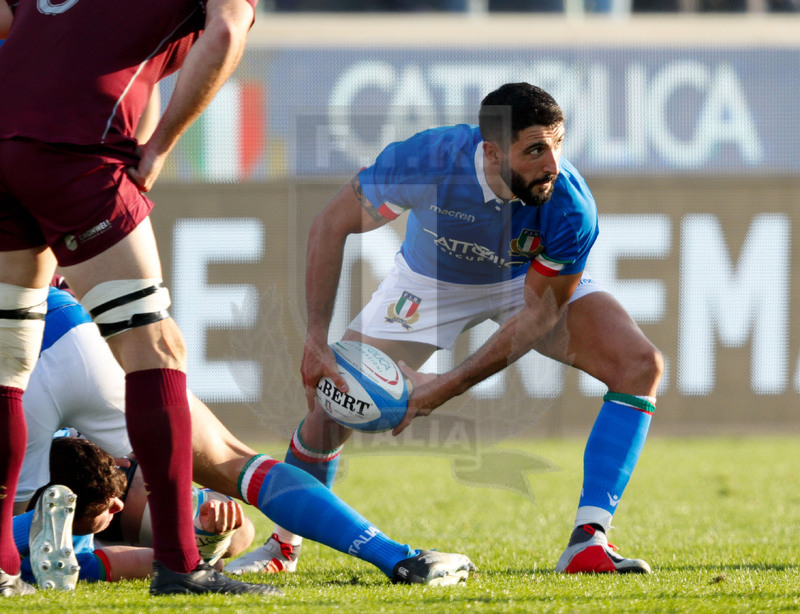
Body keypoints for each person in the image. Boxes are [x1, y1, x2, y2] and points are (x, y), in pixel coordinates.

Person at [235, 82, 663, 576]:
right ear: (492, 152)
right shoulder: (429, 159)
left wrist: (440, 388)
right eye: (535, 150)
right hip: (429, 282)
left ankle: (588, 542)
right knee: (333, 404)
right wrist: (315, 337)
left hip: (526, 281)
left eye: (558, 145)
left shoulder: (570, 205)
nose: (552, 164)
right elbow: (331, 225)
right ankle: (283, 547)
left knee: (640, 366)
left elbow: (540, 314)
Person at [0, 0, 274, 596]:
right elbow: (226, 30)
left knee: (7, 363)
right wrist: (160, 145)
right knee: (155, 347)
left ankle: (3, 565)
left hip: (6, 142)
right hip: (75, 149)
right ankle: (179, 563)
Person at [17, 284, 476, 586]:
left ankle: (71, 550)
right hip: (71, 333)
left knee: (19, 539)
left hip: (15, 354)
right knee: (239, 465)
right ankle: (400, 557)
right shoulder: (74, 168)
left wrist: (206, 541)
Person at [14, 437, 252, 589]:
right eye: (108, 505)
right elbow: (133, 562)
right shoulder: (66, 563)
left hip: (75, 453)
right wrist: (207, 545)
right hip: (53, 526)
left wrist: (103, 443)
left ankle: (29, 528)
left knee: (239, 535)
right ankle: (33, 527)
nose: (119, 506)